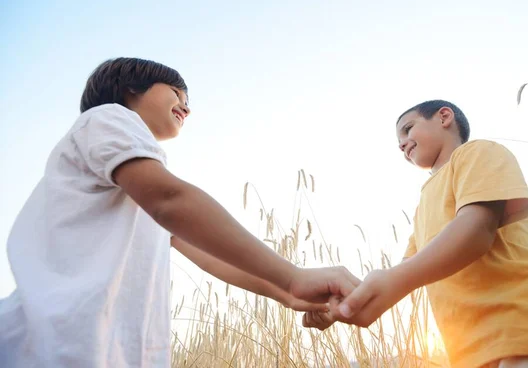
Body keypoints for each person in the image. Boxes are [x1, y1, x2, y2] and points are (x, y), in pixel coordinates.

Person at [0, 57, 359, 367]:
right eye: (176, 93)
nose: (186, 107)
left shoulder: (133, 178)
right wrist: (293, 276)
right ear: (130, 89)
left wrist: (289, 294)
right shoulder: (107, 118)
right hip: (57, 342)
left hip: (100, 347)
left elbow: (211, 257)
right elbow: (170, 200)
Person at [303, 100, 528, 368]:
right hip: (473, 354)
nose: (402, 144)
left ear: (444, 117)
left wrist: (392, 281)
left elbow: (476, 230)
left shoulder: (477, 152)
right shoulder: (423, 205)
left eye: (408, 130)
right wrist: (342, 306)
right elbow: (406, 271)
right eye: (399, 141)